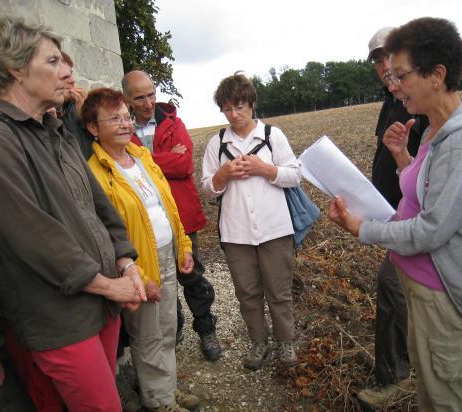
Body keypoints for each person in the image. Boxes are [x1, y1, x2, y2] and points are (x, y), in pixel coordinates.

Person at [329, 17, 462, 411]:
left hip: (442, 292)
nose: (394, 85)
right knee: (434, 388)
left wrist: (362, 227)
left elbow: (430, 230)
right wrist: (402, 158)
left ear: (437, 74)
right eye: (391, 75)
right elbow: (431, 193)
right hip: (422, 284)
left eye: (402, 75)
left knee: (458, 394)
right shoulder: (434, 132)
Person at [0, 17, 147, 412]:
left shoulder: (55, 129)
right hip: (60, 317)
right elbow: (34, 236)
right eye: (54, 61)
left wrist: (126, 263)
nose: (67, 72)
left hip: (103, 300)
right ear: (16, 68)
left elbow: (98, 206)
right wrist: (110, 285)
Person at [83, 87, 201, 412]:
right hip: (138, 267)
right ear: (93, 128)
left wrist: (184, 247)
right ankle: (159, 402)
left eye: (125, 116)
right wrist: (139, 276)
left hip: (166, 254)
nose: (124, 124)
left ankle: (167, 391)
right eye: (114, 119)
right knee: (148, 338)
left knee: (168, 330)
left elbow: (168, 207)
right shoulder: (96, 173)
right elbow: (107, 235)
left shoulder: (142, 158)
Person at [201, 72, 301, 370]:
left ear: (251, 103)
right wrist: (223, 175)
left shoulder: (272, 136)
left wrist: (264, 169)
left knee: (279, 291)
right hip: (236, 234)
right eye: (227, 109)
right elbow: (207, 189)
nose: (233, 114)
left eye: (239, 107)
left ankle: (286, 342)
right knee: (247, 294)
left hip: (275, 229)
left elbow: (295, 175)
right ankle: (259, 342)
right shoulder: (217, 143)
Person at [122, 70, 222, 361]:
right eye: (139, 97)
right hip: (146, 220)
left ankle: (206, 328)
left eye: (151, 94)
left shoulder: (174, 123)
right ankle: (174, 328)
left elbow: (182, 164)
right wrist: (157, 159)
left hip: (180, 214)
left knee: (191, 275)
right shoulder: (123, 128)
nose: (148, 102)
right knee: (161, 278)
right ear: (127, 99)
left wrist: (141, 160)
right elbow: (124, 172)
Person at [357, 27, 429, 408]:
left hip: (419, 222)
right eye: (376, 58)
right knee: (404, 292)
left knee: (393, 286)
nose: (383, 65)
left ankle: (394, 378)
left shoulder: (419, 101)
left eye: (388, 55)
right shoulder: (391, 101)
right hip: (395, 215)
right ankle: (414, 362)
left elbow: (429, 168)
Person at [57, 51, 94, 159]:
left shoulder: (77, 106)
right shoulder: (42, 113)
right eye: (64, 76)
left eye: (71, 74)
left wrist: (86, 115)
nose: (73, 81)